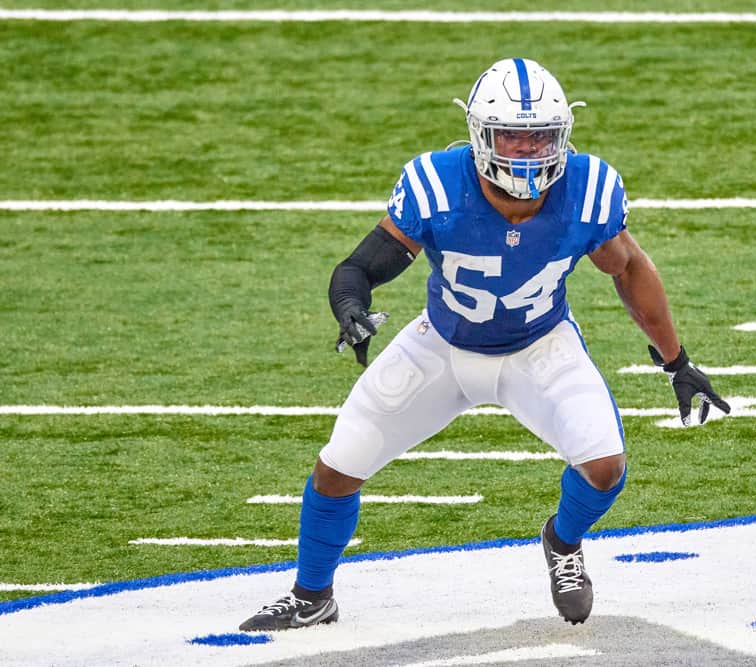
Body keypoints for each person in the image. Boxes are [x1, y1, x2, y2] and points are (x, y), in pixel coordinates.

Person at [240, 57, 729, 632]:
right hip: (441, 346)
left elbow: (629, 269)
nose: (526, 150)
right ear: (480, 136)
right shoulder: (437, 183)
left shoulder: (589, 188)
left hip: (539, 346)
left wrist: (677, 362)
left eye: (540, 136)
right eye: (513, 136)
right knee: (338, 466)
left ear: (563, 136)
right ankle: (312, 594)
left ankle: (562, 542)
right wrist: (351, 308)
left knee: (604, 466)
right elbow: (360, 266)